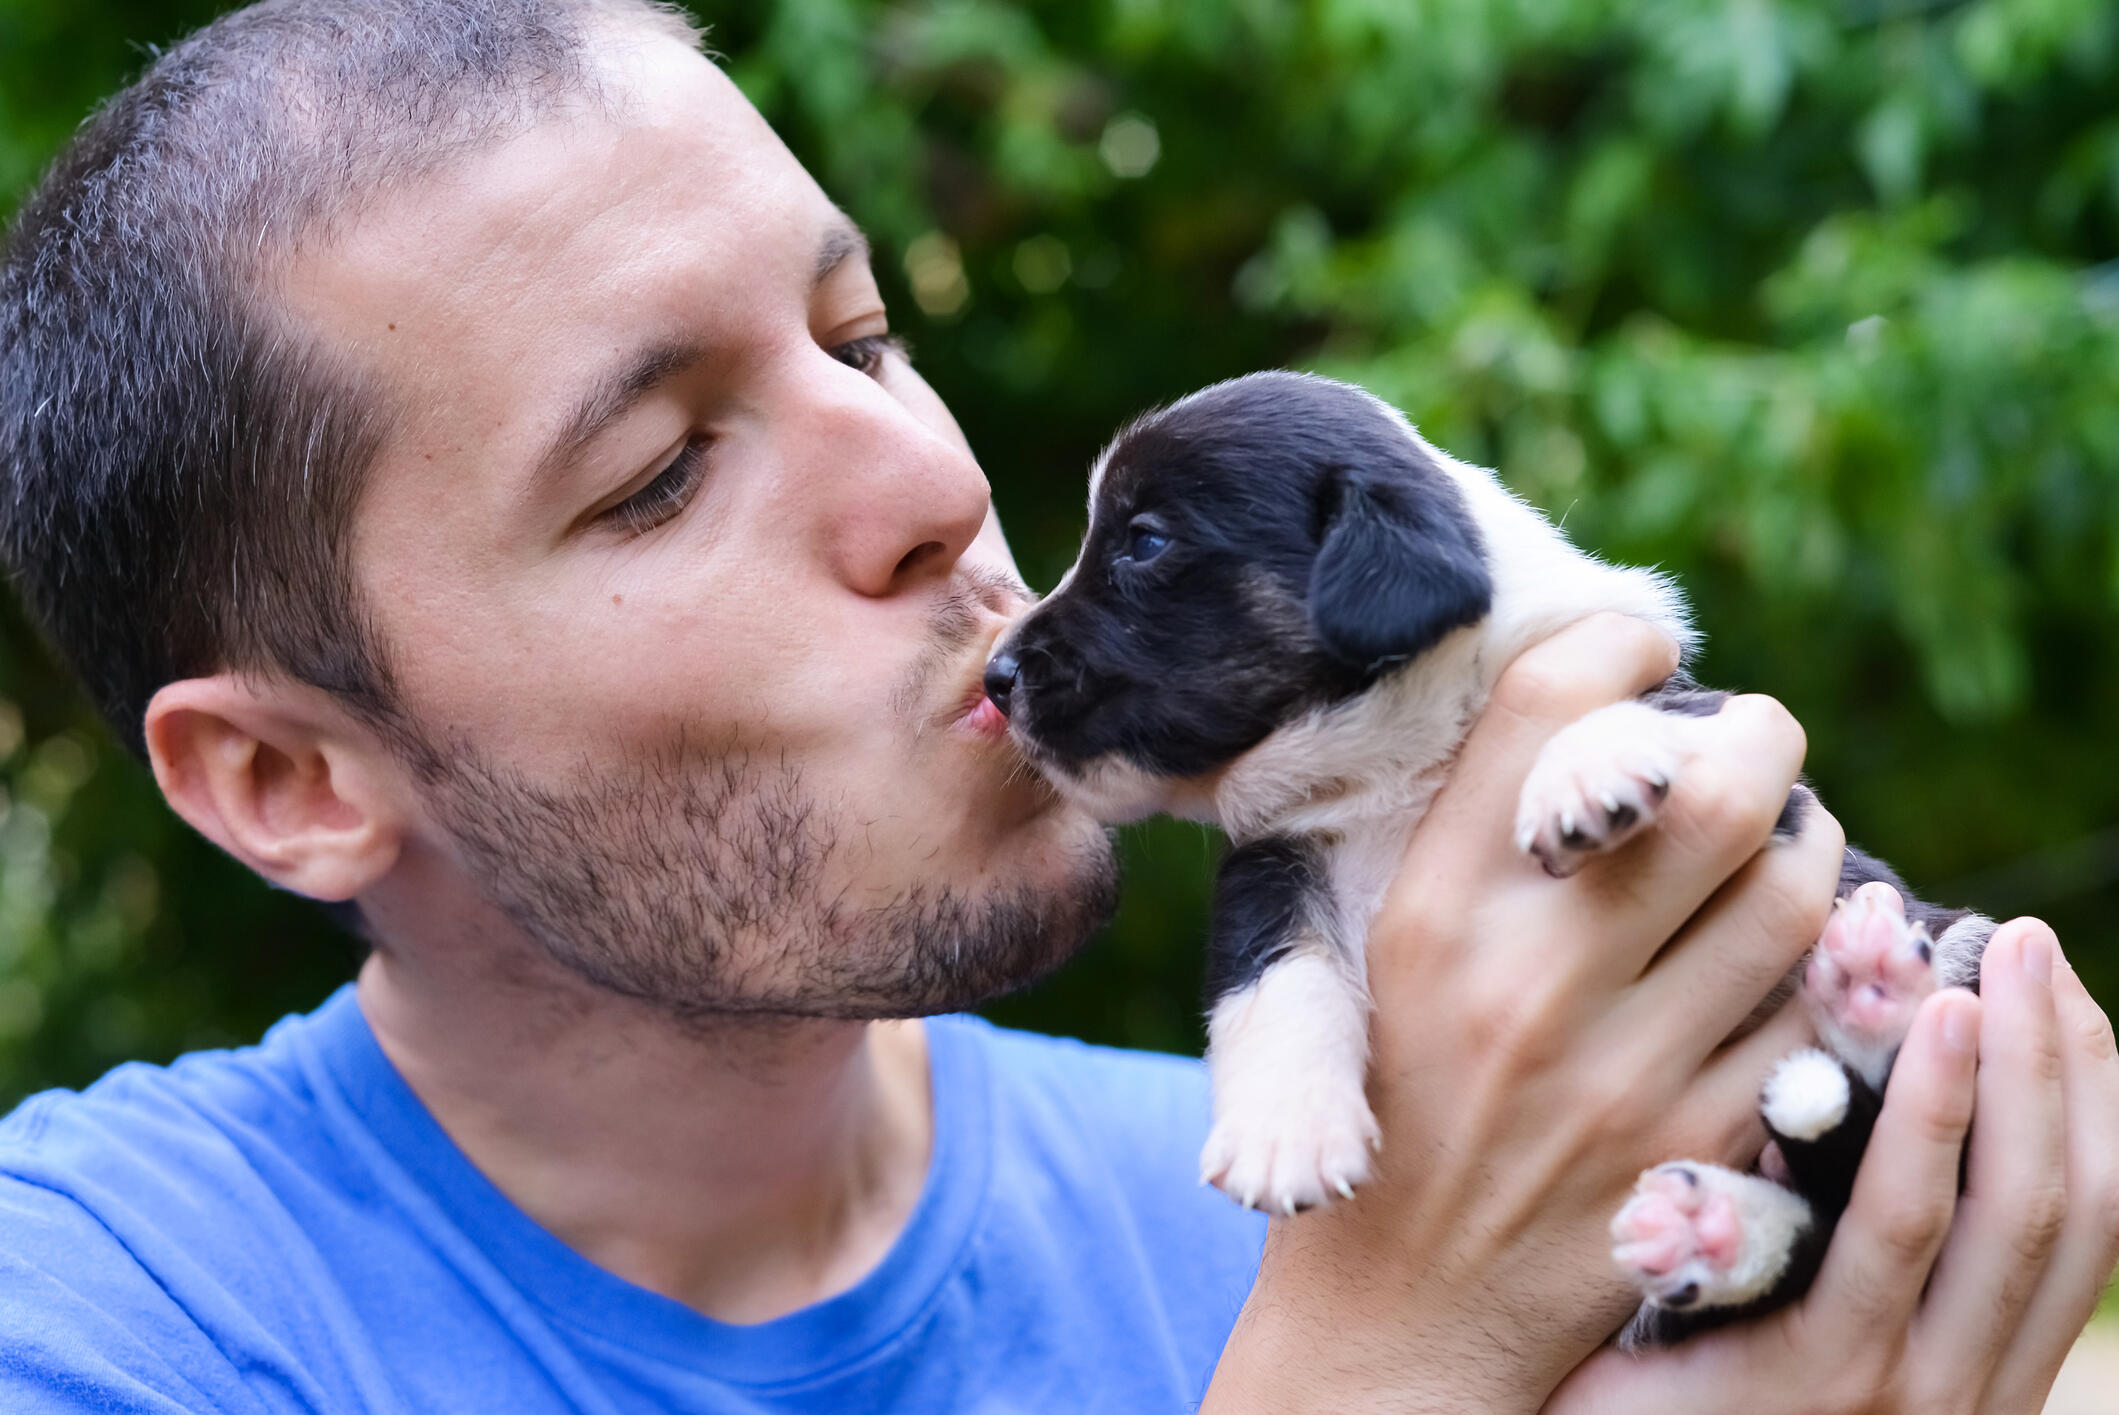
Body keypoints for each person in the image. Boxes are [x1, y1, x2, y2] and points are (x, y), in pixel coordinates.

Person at [0, 1, 2111, 1410]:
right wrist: (1391, 1368)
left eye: (863, 334)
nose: (929, 487)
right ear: (288, 779)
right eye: (656, 471)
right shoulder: (106, 1325)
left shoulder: (1457, 1167)